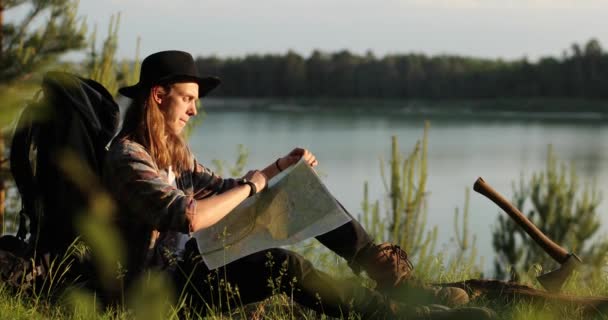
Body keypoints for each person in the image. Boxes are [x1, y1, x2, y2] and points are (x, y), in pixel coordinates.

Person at [103, 50, 495, 319]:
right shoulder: (128, 156)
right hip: (156, 293)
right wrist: (254, 186)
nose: (194, 109)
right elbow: (187, 216)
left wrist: (278, 171)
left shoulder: (173, 151)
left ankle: (396, 281)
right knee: (283, 265)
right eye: (188, 98)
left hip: (193, 267)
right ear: (158, 96)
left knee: (296, 191)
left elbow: (222, 187)